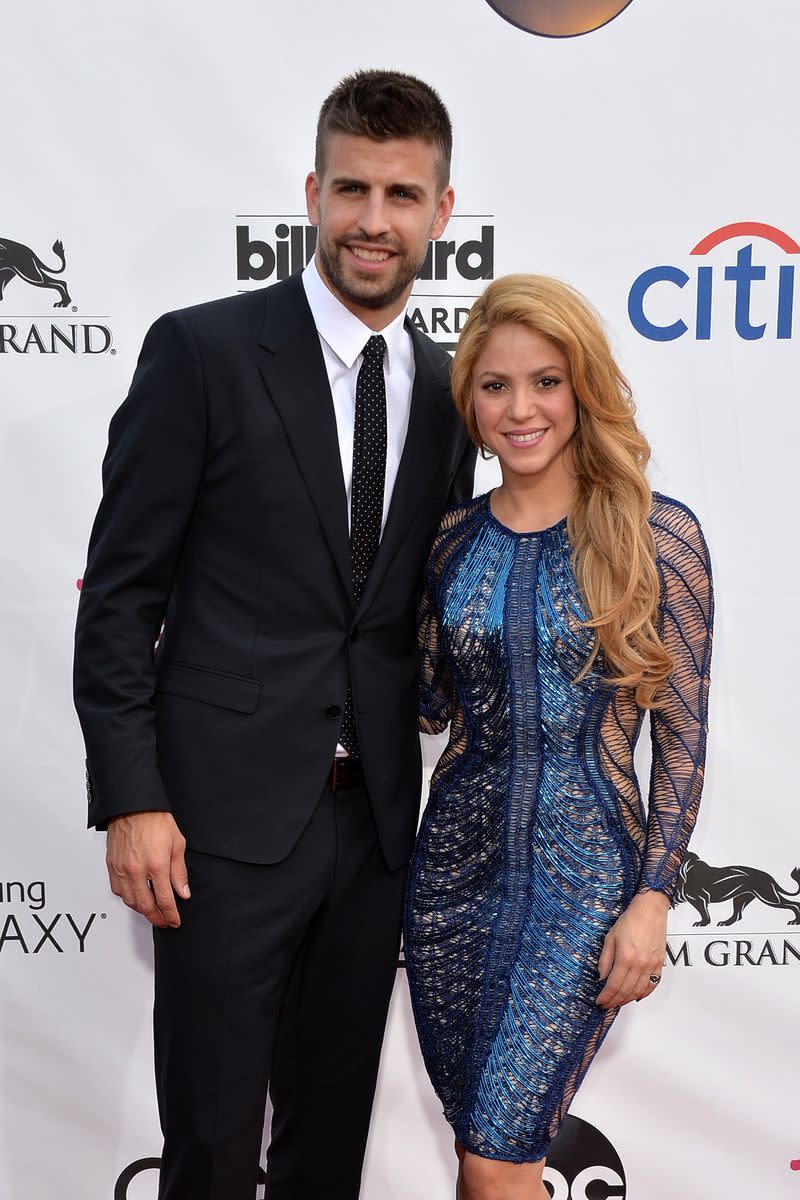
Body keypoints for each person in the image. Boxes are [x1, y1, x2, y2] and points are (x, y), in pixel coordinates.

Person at [73, 70, 475, 1200]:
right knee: (206, 1144)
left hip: (374, 830)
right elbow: (119, 597)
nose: (372, 221)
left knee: (326, 1145)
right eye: (351, 189)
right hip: (217, 828)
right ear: (311, 192)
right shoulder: (200, 353)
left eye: (402, 195)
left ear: (442, 212)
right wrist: (132, 795)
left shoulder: (453, 393)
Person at [403, 275, 713, 1200]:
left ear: (583, 387)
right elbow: (423, 708)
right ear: (470, 403)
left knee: (498, 1159)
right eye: (495, 386)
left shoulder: (659, 538)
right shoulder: (450, 541)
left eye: (546, 380)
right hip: (450, 882)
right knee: (484, 1160)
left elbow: (684, 738)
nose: (521, 408)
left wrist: (654, 896)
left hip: (585, 891)